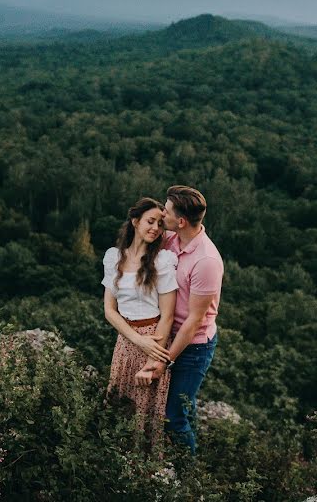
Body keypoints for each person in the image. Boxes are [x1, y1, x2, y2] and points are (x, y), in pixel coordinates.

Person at [135, 185, 223, 454]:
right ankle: (196, 445)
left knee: (173, 415)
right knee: (184, 404)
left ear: (181, 221)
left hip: (194, 345)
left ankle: (190, 476)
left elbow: (194, 322)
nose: (162, 212)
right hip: (168, 331)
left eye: (167, 210)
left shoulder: (206, 261)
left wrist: (164, 360)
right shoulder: (172, 238)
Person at [102, 197, 179, 448]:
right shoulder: (114, 257)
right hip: (125, 341)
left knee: (145, 414)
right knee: (119, 406)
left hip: (155, 338)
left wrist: (153, 358)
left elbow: (168, 315)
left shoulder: (163, 262)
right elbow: (109, 310)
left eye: (160, 223)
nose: (156, 228)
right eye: (150, 221)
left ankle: (145, 477)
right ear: (135, 221)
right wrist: (135, 340)